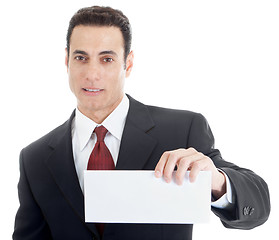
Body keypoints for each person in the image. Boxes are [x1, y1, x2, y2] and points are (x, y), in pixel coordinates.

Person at [13, 6, 270, 240]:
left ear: (129, 63)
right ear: (66, 60)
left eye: (107, 59)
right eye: (81, 58)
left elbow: (258, 205)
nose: (92, 74)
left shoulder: (182, 130)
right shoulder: (34, 159)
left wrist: (217, 180)